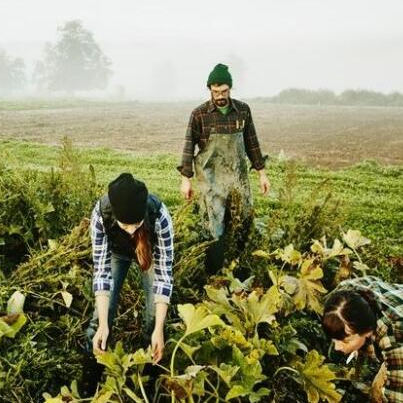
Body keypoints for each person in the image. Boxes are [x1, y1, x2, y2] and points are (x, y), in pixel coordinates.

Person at [177, 63, 271, 275]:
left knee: (242, 221)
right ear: (209, 89)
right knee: (214, 226)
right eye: (215, 91)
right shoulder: (199, 114)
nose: (220, 95)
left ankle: (238, 267)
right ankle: (213, 275)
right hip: (211, 182)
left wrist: (262, 174)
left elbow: (252, 143)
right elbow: (188, 146)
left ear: (230, 88)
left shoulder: (243, 111)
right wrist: (186, 179)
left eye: (224, 91)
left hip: (238, 179)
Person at [87, 173, 175, 365]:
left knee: (154, 317)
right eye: (125, 225)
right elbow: (101, 272)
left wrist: (159, 329)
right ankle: (94, 364)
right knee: (99, 316)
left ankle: (149, 363)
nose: (131, 230)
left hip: (148, 251)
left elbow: (164, 276)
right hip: (117, 253)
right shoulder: (102, 214)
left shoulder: (159, 216)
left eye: (136, 224)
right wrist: (103, 324)